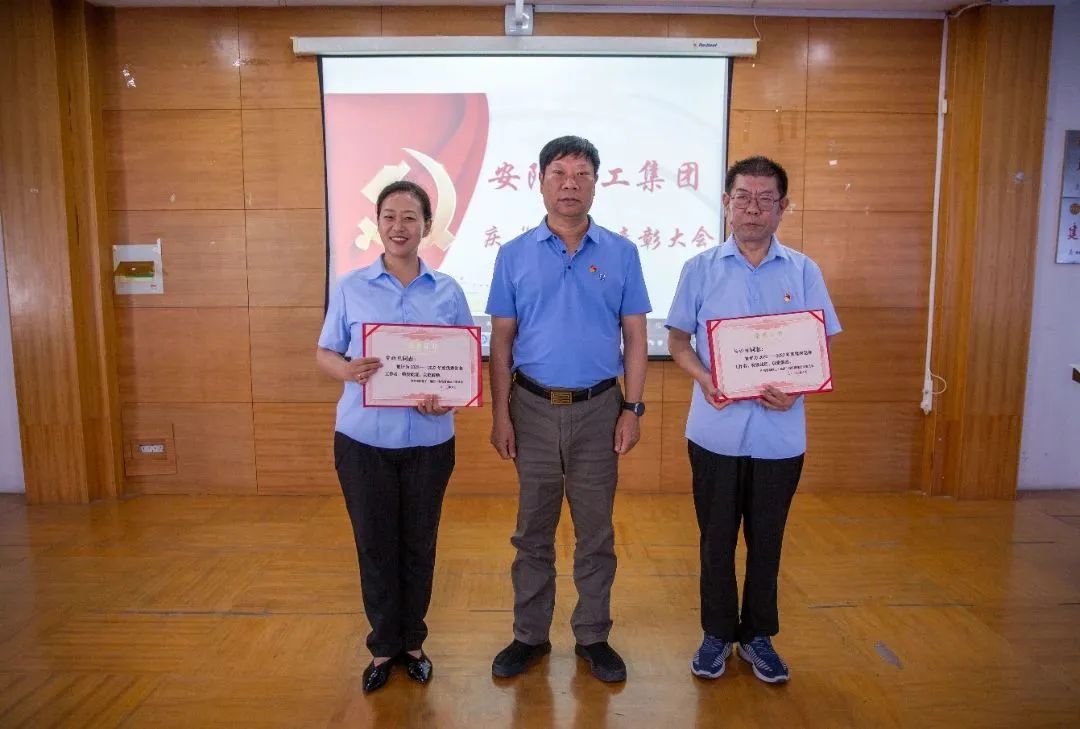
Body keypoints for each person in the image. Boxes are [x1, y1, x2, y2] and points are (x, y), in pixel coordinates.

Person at [666, 156, 841, 684]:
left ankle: (758, 635)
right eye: (743, 197)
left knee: (768, 540)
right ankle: (717, 633)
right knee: (715, 540)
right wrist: (704, 377)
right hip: (715, 432)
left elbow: (820, 346)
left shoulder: (804, 271)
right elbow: (678, 342)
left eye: (766, 199)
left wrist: (798, 389)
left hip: (779, 437)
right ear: (726, 203)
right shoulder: (699, 268)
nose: (753, 208)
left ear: (782, 208)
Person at [486, 135, 652, 683]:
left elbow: (635, 335)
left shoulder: (622, 253)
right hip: (531, 408)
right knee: (532, 531)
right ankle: (529, 636)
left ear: (596, 184)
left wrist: (632, 409)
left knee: (596, 532)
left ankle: (593, 636)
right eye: (558, 173)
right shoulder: (513, 254)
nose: (570, 184)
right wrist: (500, 415)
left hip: (600, 409)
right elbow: (502, 341)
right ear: (540, 181)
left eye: (582, 174)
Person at [316, 180, 474, 693]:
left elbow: (463, 366)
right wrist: (347, 370)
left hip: (429, 440)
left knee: (419, 545)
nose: (399, 226)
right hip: (363, 441)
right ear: (377, 223)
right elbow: (325, 352)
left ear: (426, 226)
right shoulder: (350, 287)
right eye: (389, 216)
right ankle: (384, 646)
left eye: (410, 217)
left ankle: (414, 644)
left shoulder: (448, 291)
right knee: (375, 545)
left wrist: (448, 396)